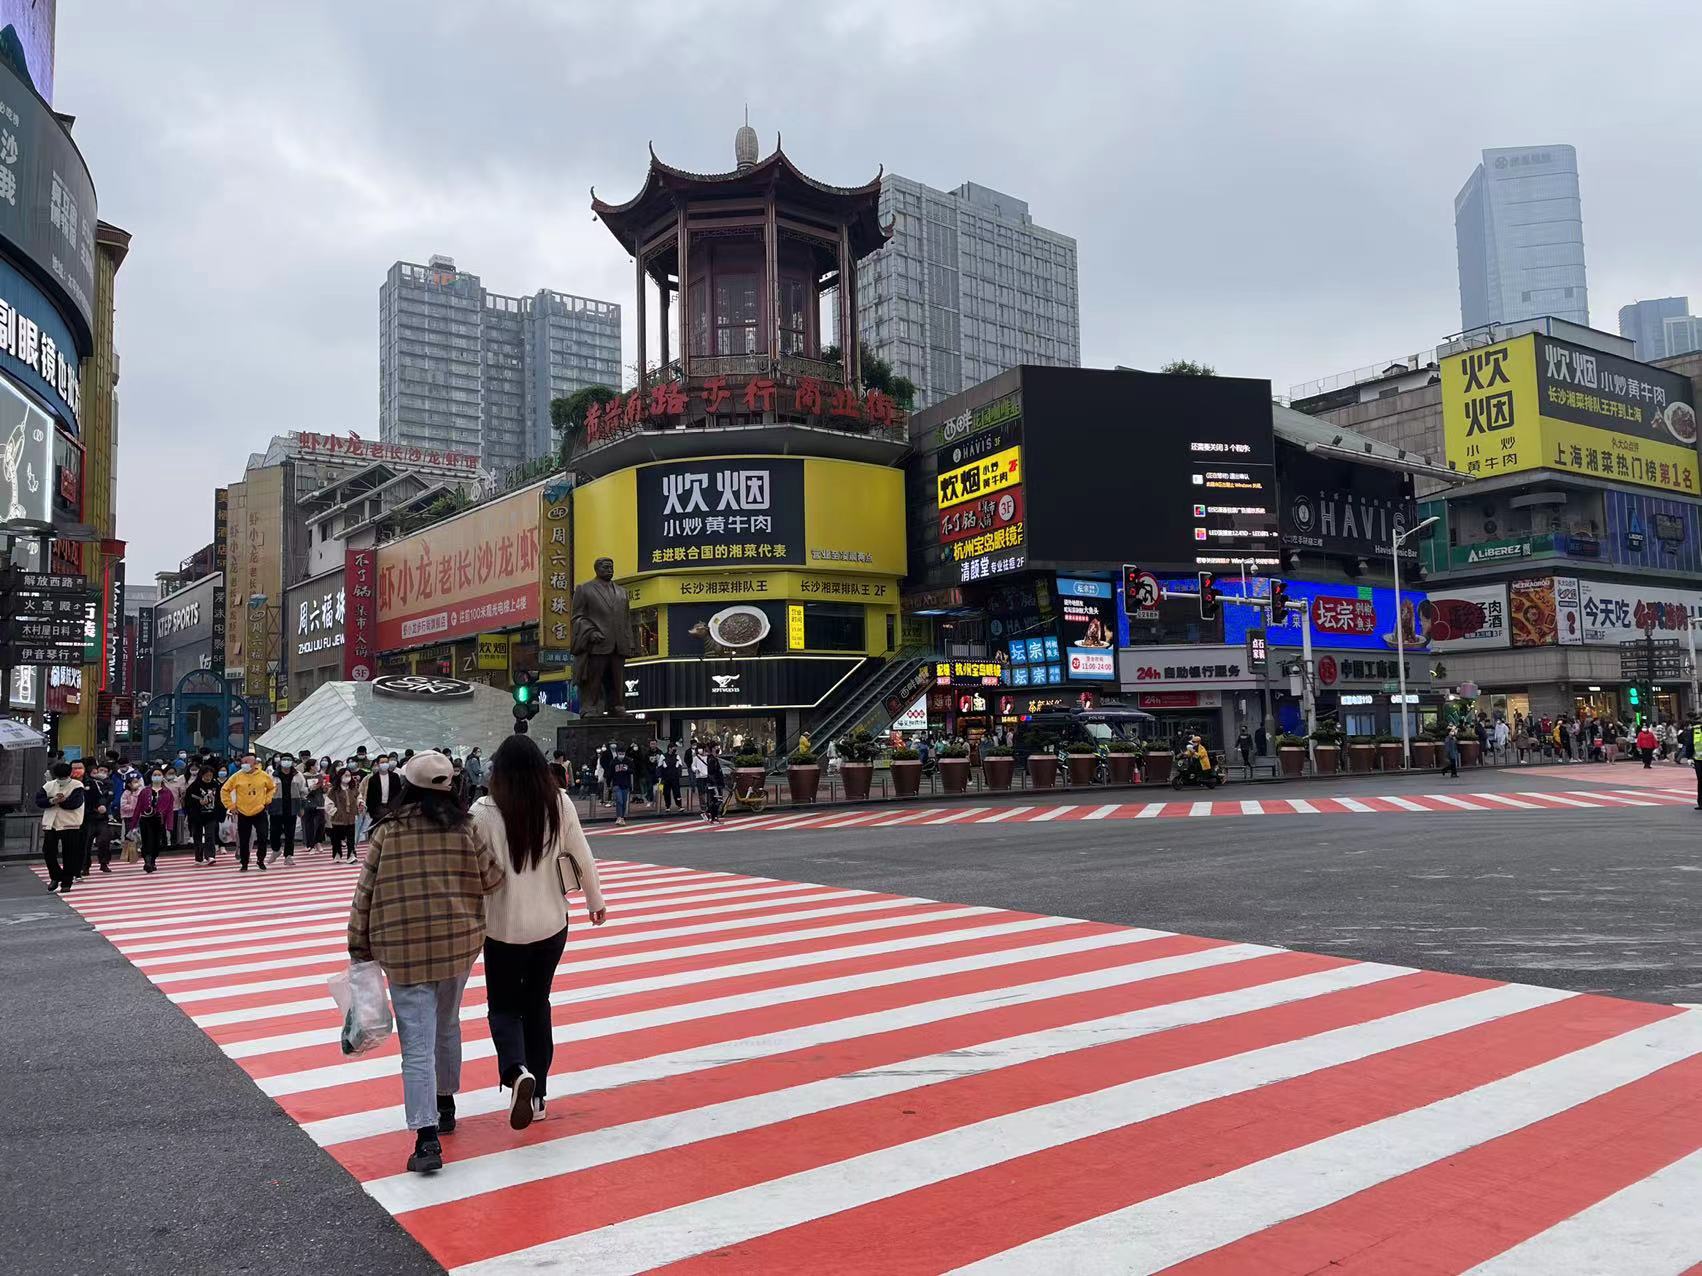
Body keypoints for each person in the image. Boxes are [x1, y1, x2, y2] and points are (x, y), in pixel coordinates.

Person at [346, 751, 503, 1175]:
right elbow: (493, 878)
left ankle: (426, 1136)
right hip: (456, 946)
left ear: (407, 786)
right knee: (447, 1023)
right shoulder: (465, 828)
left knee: (416, 1044)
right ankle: (446, 1103)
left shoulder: (388, 832)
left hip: (402, 949)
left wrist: (358, 945)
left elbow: (366, 892)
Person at [471, 735, 607, 1131]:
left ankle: (516, 1073)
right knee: (537, 1004)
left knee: (503, 1007)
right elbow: (582, 855)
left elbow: (472, 871)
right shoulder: (559, 802)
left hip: (501, 927)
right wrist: (594, 901)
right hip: (551, 924)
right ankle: (541, 1093)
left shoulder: (482, 811)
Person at [35, 761, 86, 893]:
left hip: (70, 823)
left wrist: (62, 801)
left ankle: (66, 881)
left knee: (69, 853)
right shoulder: (49, 785)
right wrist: (52, 801)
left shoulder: (77, 785)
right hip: (51, 823)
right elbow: (39, 801)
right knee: (48, 852)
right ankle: (56, 875)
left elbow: (75, 803)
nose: (62, 780)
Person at [220, 754, 277, 871]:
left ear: (254, 764)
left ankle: (260, 859)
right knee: (244, 839)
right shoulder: (237, 776)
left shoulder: (263, 776)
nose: (244, 764)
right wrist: (231, 806)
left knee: (263, 836)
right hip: (243, 812)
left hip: (259, 810)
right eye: (243, 762)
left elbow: (272, 788)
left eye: (247, 762)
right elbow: (225, 790)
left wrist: (267, 800)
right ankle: (244, 862)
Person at [135, 770, 176, 874]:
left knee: (156, 842)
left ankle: (152, 861)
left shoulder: (167, 792)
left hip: (159, 820)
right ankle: (147, 862)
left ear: (163, 777)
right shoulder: (145, 791)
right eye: (154, 775)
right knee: (147, 841)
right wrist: (133, 823)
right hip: (145, 819)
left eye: (159, 775)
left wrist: (169, 825)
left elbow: (170, 810)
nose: (157, 777)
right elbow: (138, 807)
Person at [268, 754, 305, 865]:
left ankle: (288, 856)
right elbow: (267, 790)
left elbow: (303, 792)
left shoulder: (298, 775)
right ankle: (276, 850)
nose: (286, 762)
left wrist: (302, 807)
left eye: (289, 760)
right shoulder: (273, 775)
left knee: (290, 833)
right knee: (274, 832)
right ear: (280, 761)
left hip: (292, 807)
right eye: (284, 759)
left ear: (293, 762)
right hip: (276, 807)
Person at [79, 760, 114, 876]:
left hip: (102, 817)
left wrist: (102, 805)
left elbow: (108, 796)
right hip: (88, 817)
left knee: (104, 840)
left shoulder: (107, 783)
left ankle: (104, 863)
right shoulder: (87, 783)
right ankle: (85, 866)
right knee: (86, 843)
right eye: (98, 771)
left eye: (105, 771)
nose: (100, 773)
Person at [184, 766, 221, 864]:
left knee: (210, 835)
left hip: (211, 815)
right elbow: (188, 801)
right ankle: (198, 856)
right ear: (201, 775)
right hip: (197, 816)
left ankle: (210, 856)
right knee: (197, 836)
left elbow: (220, 800)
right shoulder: (194, 786)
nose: (208, 777)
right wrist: (198, 803)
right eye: (206, 775)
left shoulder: (215, 785)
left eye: (210, 775)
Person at [361, 754, 401, 842]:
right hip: (378, 808)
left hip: (391, 807)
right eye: (382, 762)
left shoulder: (395, 777)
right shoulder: (373, 779)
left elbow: (399, 793)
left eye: (386, 762)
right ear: (378, 764)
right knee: (377, 831)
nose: (385, 764)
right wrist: (371, 811)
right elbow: (370, 797)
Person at [328, 766, 360, 861]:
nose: (347, 777)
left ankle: (351, 854)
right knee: (336, 838)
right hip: (338, 819)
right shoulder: (334, 790)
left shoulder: (353, 789)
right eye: (345, 775)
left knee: (351, 838)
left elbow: (359, 798)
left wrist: (360, 804)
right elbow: (329, 803)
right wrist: (334, 812)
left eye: (349, 775)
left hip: (350, 818)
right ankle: (337, 854)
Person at [692, 741, 724, 823]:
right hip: (713, 783)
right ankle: (712, 816)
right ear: (712, 749)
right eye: (716, 747)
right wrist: (715, 783)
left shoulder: (712, 758)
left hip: (715, 782)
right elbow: (712, 772)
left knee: (716, 800)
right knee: (717, 800)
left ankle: (711, 815)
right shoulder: (711, 759)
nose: (717, 749)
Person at [301, 770, 329, 854]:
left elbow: (323, 790)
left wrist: (325, 787)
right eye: (314, 765)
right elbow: (302, 789)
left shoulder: (320, 776)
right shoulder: (303, 776)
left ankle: (318, 842)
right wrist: (310, 788)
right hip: (308, 802)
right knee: (309, 824)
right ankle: (310, 845)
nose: (315, 767)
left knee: (321, 823)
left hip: (319, 801)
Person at [609, 744, 633, 826]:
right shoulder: (614, 762)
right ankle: (618, 817)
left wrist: (627, 770)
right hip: (616, 784)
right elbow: (610, 773)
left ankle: (622, 817)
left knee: (624, 802)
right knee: (619, 800)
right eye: (620, 753)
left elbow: (633, 771)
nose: (621, 755)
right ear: (617, 753)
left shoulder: (628, 761)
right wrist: (609, 784)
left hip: (625, 784)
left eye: (623, 753)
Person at [657, 744, 683, 812]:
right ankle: (667, 806)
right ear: (669, 748)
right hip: (666, 778)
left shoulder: (677, 756)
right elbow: (659, 767)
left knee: (677, 793)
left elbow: (680, 766)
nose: (674, 750)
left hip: (675, 778)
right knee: (666, 793)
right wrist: (659, 776)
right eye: (673, 748)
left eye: (675, 748)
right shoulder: (663, 756)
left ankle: (679, 806)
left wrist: (679, 774)